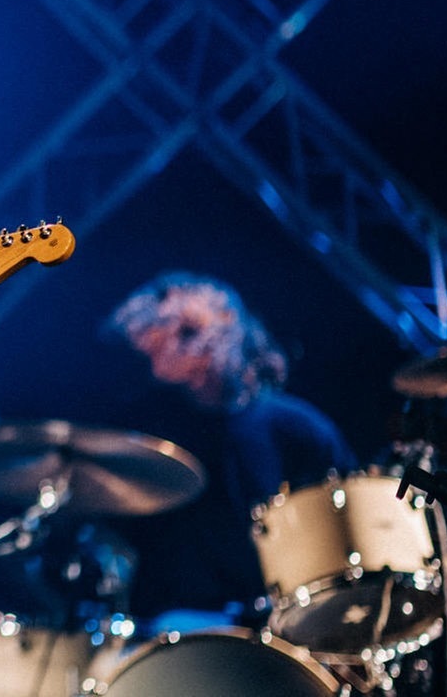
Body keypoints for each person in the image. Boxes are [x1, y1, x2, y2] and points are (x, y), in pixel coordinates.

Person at [101, 270, 355, 630]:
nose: (193, 348)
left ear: (232, 327)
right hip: (184, 623)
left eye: (190, 330)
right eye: (172, 336)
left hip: (295, 621)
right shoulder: (152, 436)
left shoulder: (297, 428)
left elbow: (349, 529)